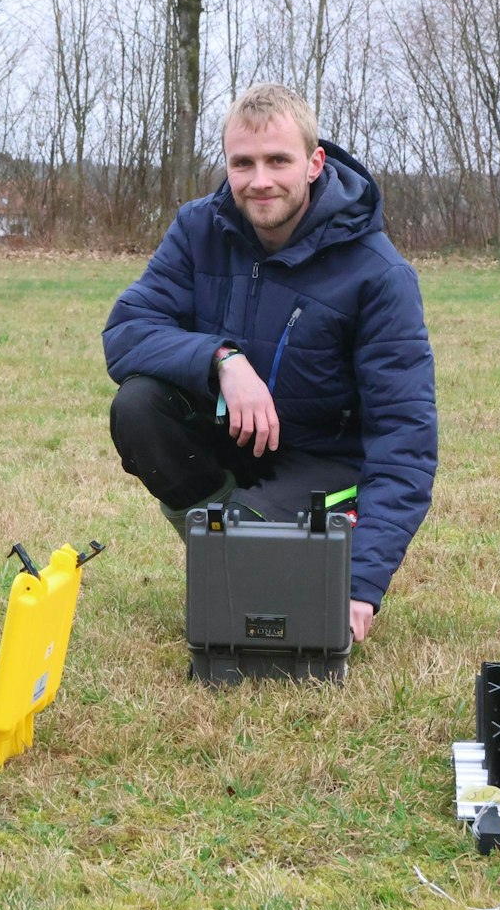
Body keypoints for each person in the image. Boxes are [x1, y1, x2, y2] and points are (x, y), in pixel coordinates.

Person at [102, 83, 437, 643]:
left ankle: (256, 547)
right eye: (243, 163)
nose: (260, 181)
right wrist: (223, 361)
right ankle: (231, 548)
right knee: (138, 407)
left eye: (278, 160)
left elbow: (406, 439)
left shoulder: (380, 274)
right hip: (236, 437)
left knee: (270, 600)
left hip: (328, 464)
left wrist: (360, 583)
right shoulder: (197, 228)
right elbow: (127, 330)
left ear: (313, 163)